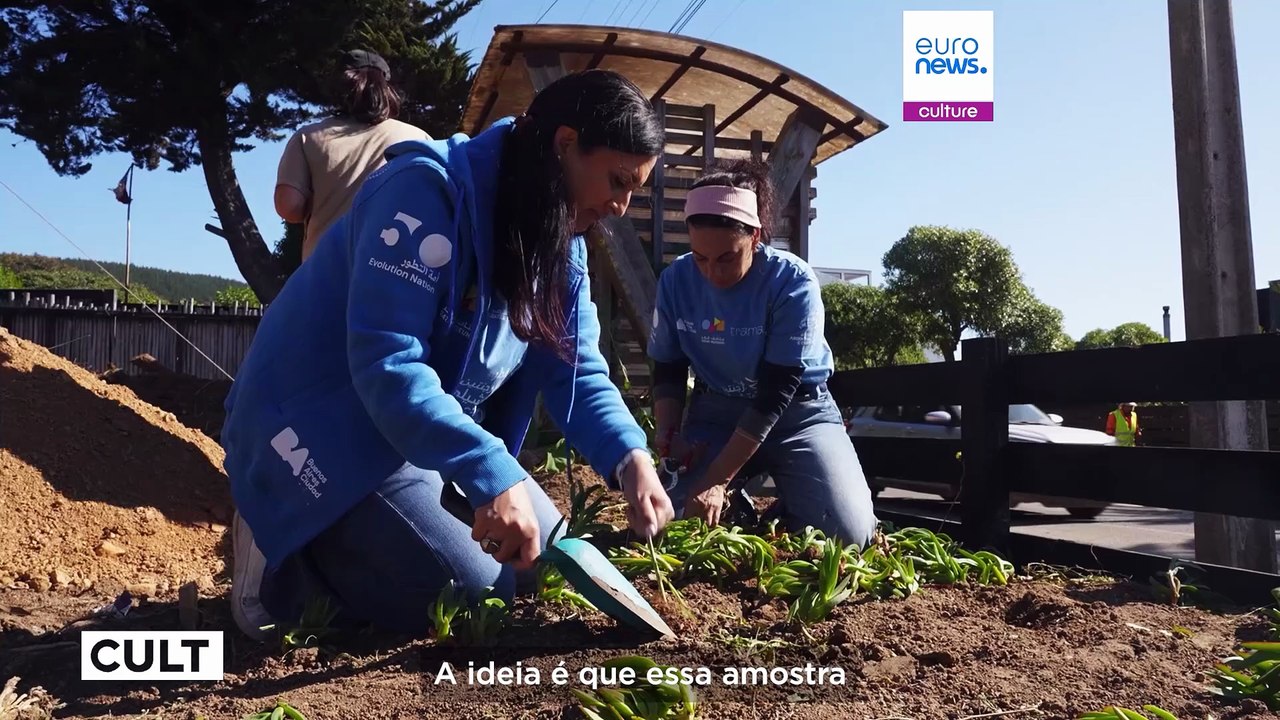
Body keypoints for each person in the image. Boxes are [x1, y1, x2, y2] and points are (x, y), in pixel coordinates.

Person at [223, 69, 676, 641]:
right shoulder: (426, 192)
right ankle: (280, 558)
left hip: (417, 434)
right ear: (565, 146)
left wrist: (629, 456)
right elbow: (390, 364)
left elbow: (577, 371)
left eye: (635, 189)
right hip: (326, 427)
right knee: (470, 594)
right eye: (616, 180)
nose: (621, 205)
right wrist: (487, 472)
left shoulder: (559, 241)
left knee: (538, 560)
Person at [646, 159, 877, 549]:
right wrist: (669, 437)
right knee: (669, 520)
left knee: (849, 535)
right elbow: (668, 368)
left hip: (797, 415)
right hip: (717, 413)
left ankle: (781, 508)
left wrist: (716, 479)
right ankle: (741, 506)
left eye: (726, 258)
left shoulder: (792, 282)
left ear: (754, 237)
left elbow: (776, 391)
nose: (711, 273)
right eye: (700, 257)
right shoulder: (675, 281)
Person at [274, 49, 431, 262]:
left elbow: (289, 208)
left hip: (325, 273)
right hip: (392, 271)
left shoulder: (308, 137)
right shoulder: (418, 138)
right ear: (386, 90)